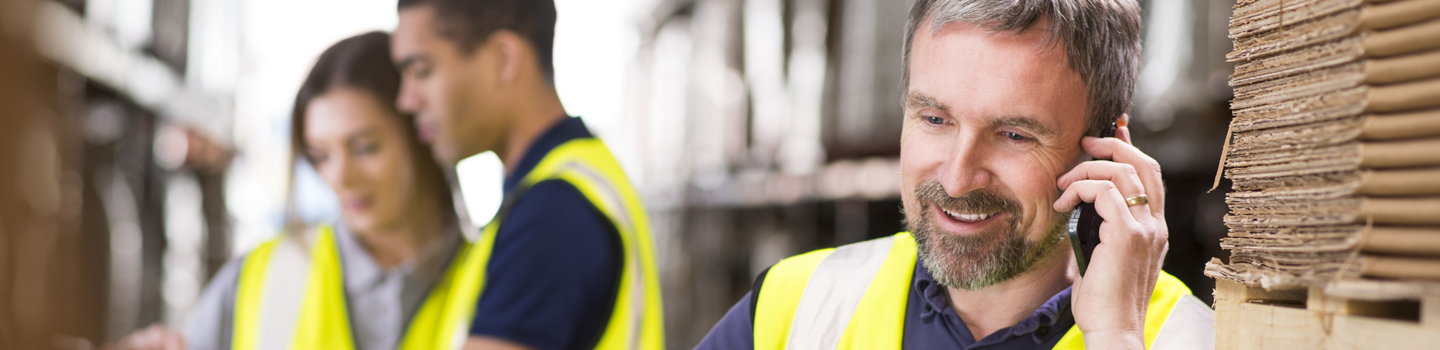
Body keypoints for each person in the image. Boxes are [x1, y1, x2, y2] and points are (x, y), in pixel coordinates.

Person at [696, 0, 1215, 349]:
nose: (957, 178)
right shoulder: (792, 311)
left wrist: (1116, 338)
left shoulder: (1195, 338)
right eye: (935, 119)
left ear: (1108, 152)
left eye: (1014, 134)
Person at [113, 31, 481, 350]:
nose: (340, 177)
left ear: (423, 134)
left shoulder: (496, 274)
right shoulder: (262, 277)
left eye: (365, 147)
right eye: (320, 155)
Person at [390, 1, 663, 350]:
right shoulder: (557, 189)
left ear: (503, 59)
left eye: (422, 71)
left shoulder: (553, 216)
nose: (406, 100)